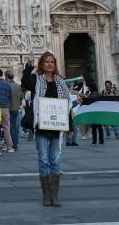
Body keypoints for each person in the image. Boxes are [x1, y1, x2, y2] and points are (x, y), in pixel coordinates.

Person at [31, 51, 77, 207]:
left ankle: (54, 195)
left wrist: (70, 126)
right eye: (46, 62)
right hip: (42, 126)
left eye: (52, 62)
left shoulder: (60, 82)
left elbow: (66, 105)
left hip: (57, 127)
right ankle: (46, 195)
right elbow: (25, 81)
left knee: (55, 160)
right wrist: (28, 65)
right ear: (42, 64)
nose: (49, 64)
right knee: (43, 160)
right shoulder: (37, 81)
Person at [0, 68, 13, 152]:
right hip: (5, 108)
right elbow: (10, 96)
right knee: (6, 128)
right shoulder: (7, 84)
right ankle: (9, 147)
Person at [6, 71, 22, 150]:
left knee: (9, 127)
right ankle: (15, 143)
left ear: (7, 77)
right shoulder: (18, 86)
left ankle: (12, 144)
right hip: (16, 108)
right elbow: (21, 97)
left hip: (9, 108)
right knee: (15, 127)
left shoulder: (7, 85)